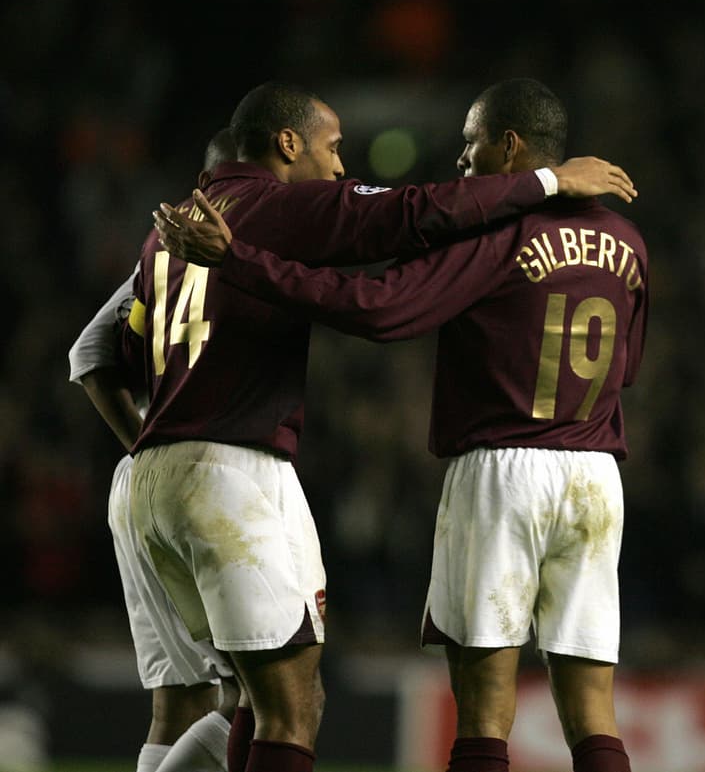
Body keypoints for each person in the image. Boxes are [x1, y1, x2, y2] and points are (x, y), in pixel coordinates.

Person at [126, 80, 636, 772]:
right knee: (592, 709)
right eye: (334, 149)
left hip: (492, 470)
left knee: (469, 708)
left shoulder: (168, 230)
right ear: (285, 144)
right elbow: (628, 365)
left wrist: (238, 261)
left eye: (470, 143)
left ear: (509, 145)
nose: (460, 160)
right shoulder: (628, 239)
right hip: (596, 474)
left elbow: (383, 298)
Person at [69, 129, 240, 772]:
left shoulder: (165, 252)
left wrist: (144, 446)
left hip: (143, 479)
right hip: (201, 477)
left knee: (180, 702)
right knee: (267, 693)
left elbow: (88, 351)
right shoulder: (225, 248)